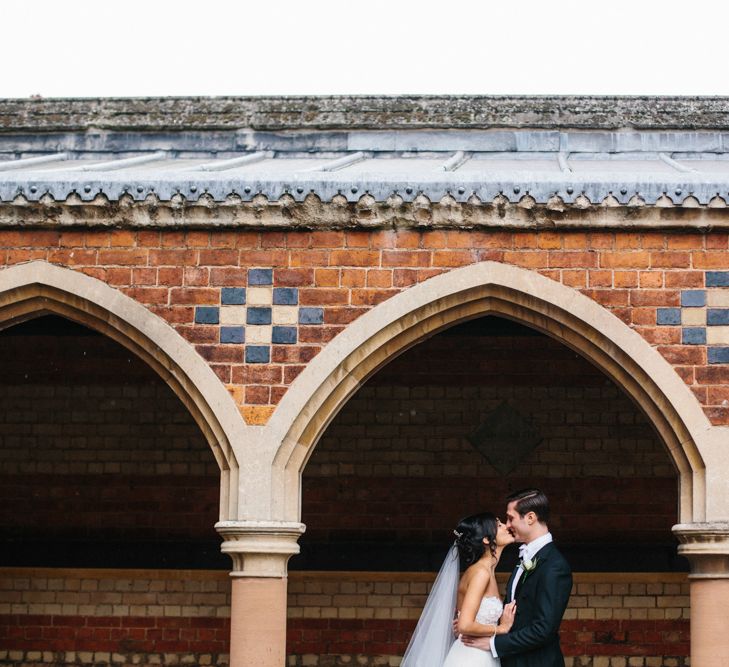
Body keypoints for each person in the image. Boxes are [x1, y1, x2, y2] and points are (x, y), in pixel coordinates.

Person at [461, 489, 573, 667]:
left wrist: (492, 643)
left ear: (530, 518)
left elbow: (543, 630)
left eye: (510, 518)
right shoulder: (524, 558)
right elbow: (513, 614)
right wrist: (472, 624)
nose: (507, 524)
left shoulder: (554, 566)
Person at [401, 512, 517, 667]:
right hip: (472, 658)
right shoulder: (481, 573)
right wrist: (501, 628)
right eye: (500, 525)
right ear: (486, 539)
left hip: (480, 655)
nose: (507, 526)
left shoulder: (485, 571)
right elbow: (464, 625)